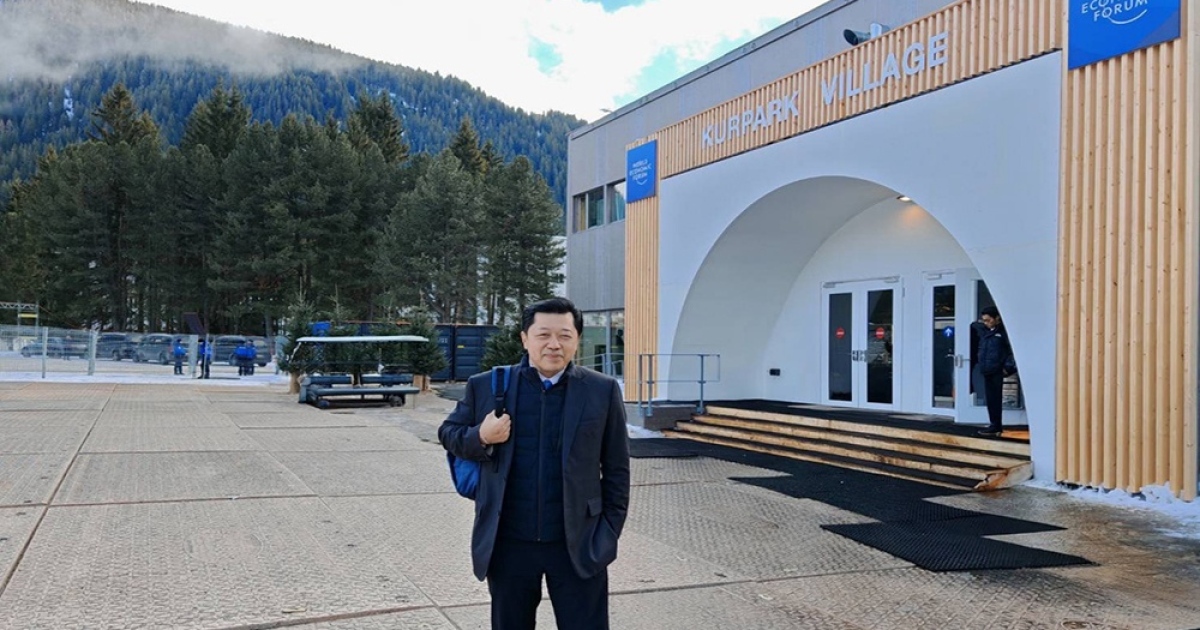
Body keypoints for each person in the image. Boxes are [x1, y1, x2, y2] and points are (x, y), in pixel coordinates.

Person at [438, 297, 630, 630]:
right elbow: (448, 433)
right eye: (543, 335)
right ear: (525, 339)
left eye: (564, 335)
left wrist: (608, 533)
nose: (554, 344)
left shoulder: (601, 390)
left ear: (576, 340)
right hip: (509, 543)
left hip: (578, 543)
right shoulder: (487, 385)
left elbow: (617, 469)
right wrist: (480, 436)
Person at [976, 305, 1014, 436]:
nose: (986, 323)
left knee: (996, 399)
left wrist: (1007, 368)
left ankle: (996, 425)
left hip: (998, 369)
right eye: (984, 321)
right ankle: (994, 424)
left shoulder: (1003, 332)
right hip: (987, 369)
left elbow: (1012, 352)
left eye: (988, 320)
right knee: (991, 399)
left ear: (997, 318)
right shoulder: (986, 333)